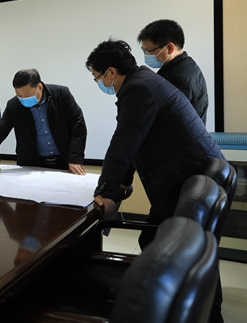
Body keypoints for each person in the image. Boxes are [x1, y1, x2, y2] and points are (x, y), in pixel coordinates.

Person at [87, 39, 225, 323]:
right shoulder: (143, 81)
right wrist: (121, 183)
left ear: (111, 72)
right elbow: (136, 138)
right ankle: (201, 312)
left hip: (187, 177)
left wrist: (107, 192)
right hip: (195, 177)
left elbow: (124, 142)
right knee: (169, 243)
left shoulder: (138, 88)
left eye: (98, 78)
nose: (100, 84)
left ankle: (183, 312)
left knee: (156, 242)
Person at [0, 68, 87, 175]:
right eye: (19, 95)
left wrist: (75, 158)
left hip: (64, 160)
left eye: (27, 95)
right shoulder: (14, 105)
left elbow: (78, 125)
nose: (23, 99)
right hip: (31, 163)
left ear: (40, 87)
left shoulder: (61, 94)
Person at [138, 19, 208, 124]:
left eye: (148, 51)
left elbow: (171, 121)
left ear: (169, 48)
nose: (146, 55)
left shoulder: (178, 79)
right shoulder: (186, 64)